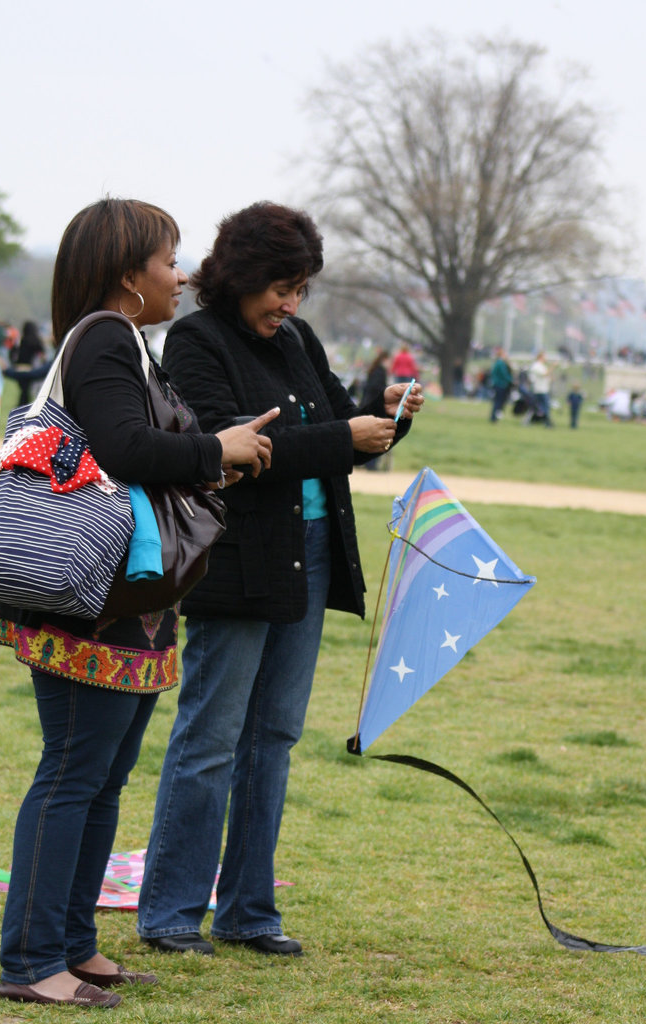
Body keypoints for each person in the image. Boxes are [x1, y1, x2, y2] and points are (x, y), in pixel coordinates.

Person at [0, 198, 278, 1010]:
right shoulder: (107, 337)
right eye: (168, 259)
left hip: (127, 598)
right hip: (94, 597)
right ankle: (31, 961)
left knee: (102, 777)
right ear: (126, 274)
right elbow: (122, 449)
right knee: (75, 773)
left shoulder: (127, 344)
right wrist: (215, 447)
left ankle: (74, 946)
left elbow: (143, 448)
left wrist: (221, 451)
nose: (180, 276)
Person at [136, 201, 424, 958]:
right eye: (280, 288)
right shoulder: (196, 342)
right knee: (211, 737)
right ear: (241, 276)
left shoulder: (296, 338)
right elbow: (235, 450)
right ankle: (169, 912)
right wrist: (340, 434)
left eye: (300, 289)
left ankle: (248, 911)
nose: (290, 304)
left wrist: (383, 413)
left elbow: (337, 431)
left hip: (310, 555)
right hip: (236, 564)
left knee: (273, 737)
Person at [4, 320, 50, 405]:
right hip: (30, 367)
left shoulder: (21, 340)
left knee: (23, 390)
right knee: (28, 389)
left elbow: (14, 352)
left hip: (19, 366)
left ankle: (22, 404)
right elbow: (42, 354)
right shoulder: (36, 341)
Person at [488, 347, 513, 422]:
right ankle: (494, 417)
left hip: (498, 384)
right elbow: (504, 374)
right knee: (499, 401)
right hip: (501, 385)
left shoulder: (497, 363)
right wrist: (511, 380)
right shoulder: (501, 363)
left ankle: (494, 416)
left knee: (497, 401)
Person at [529, 351, 553, 426]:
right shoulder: (536, 366)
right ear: (541, 357)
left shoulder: (542, 366)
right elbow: (544, 374)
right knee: (543, 407)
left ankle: (543, 421)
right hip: (539, 390)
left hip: (544, 389)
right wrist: (553, 366)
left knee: (542, 407)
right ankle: (546, 422)